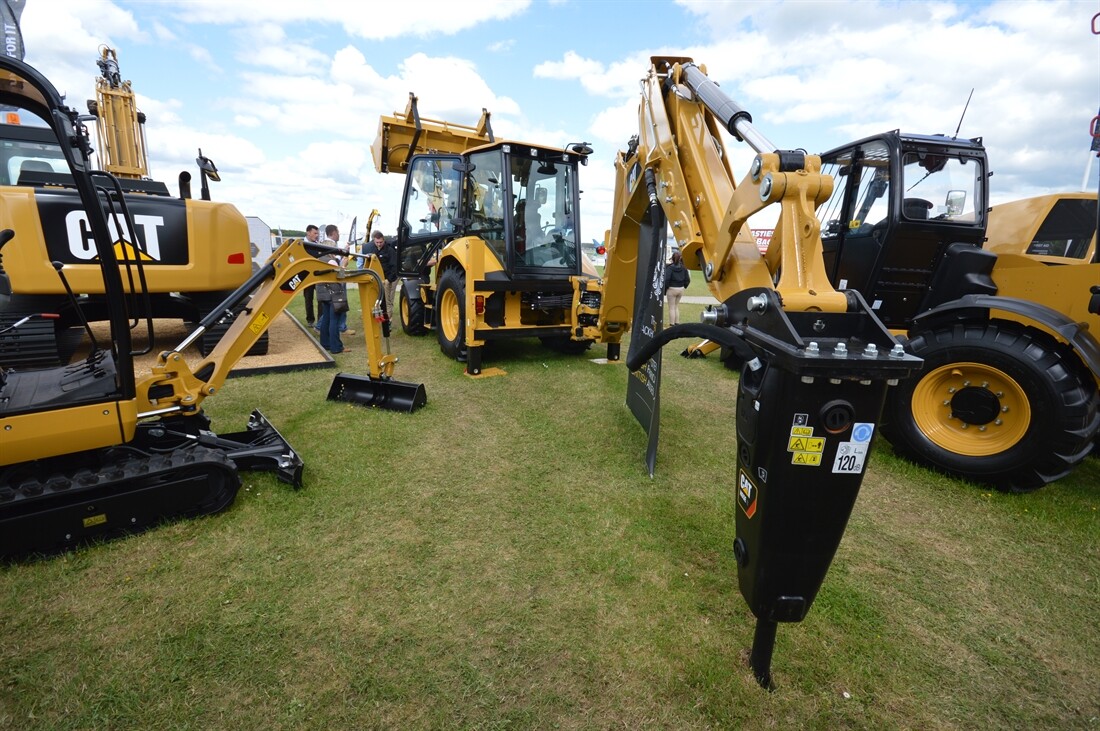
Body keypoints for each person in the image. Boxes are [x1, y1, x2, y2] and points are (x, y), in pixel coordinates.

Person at [322, 224, 355, 337]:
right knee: (333, 320)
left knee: (326, 319)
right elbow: (339, 277)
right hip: (332, 293)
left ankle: (326, 342)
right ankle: (336, 345)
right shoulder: (331, 261)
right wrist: (343, 266)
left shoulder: (322, 259)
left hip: (324, 292)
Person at [362, 229, 399, 316]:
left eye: (381, 242)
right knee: (376, 299)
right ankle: (377, 316)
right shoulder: (371, 250)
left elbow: (394, 267)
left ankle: (388, 318)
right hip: (375, 279)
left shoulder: (390, 251)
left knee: (387, 300)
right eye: (377, 242)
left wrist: (388, 280)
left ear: (384, 240)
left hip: (386, 279)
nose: (379, 244)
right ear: (374, 241)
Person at [662, 249, 691, 326]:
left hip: (672, 289)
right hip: (680, 289)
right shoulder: (684, 268)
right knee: (676, 306)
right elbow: (687, 279)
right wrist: (684, 286)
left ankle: (672, 323)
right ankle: (677, 322)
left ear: (673, 258)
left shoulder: (670, 268)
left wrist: (665, 289)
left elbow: (667, 279)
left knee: (671, 307)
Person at [301, 224, 320, 326]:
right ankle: (310, 320)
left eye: (317, 233)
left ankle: (320, 321)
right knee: (308, 299)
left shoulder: (317, 244)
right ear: (308, 233)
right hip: (307, 276)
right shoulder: (301, 245)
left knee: (321, 298)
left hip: (317, 276)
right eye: (315, 233)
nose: (316, 235)